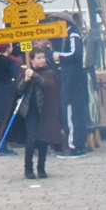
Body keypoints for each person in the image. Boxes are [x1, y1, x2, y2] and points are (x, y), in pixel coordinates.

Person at [16, 50, 62, 180]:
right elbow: (19, 91)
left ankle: (41, 167)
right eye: (38, 57)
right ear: (32, 60)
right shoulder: (26, 72)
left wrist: (35, 76)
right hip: (30, 111)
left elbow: (47, 86)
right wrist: (26, 79)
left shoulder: (50, 73)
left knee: (43, 139)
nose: (42, 60)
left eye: (43, 57)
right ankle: (28, 168)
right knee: (31, 139)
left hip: (45, 111)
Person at [53, 19, 91, 155]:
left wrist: (59, 55)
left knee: (71, 113)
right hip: (74, 81)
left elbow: (76, 53)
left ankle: (73, 145)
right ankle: (79, 143)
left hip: (71, 82)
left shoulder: (73, 36)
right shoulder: (70, 36)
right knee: (77, 113)